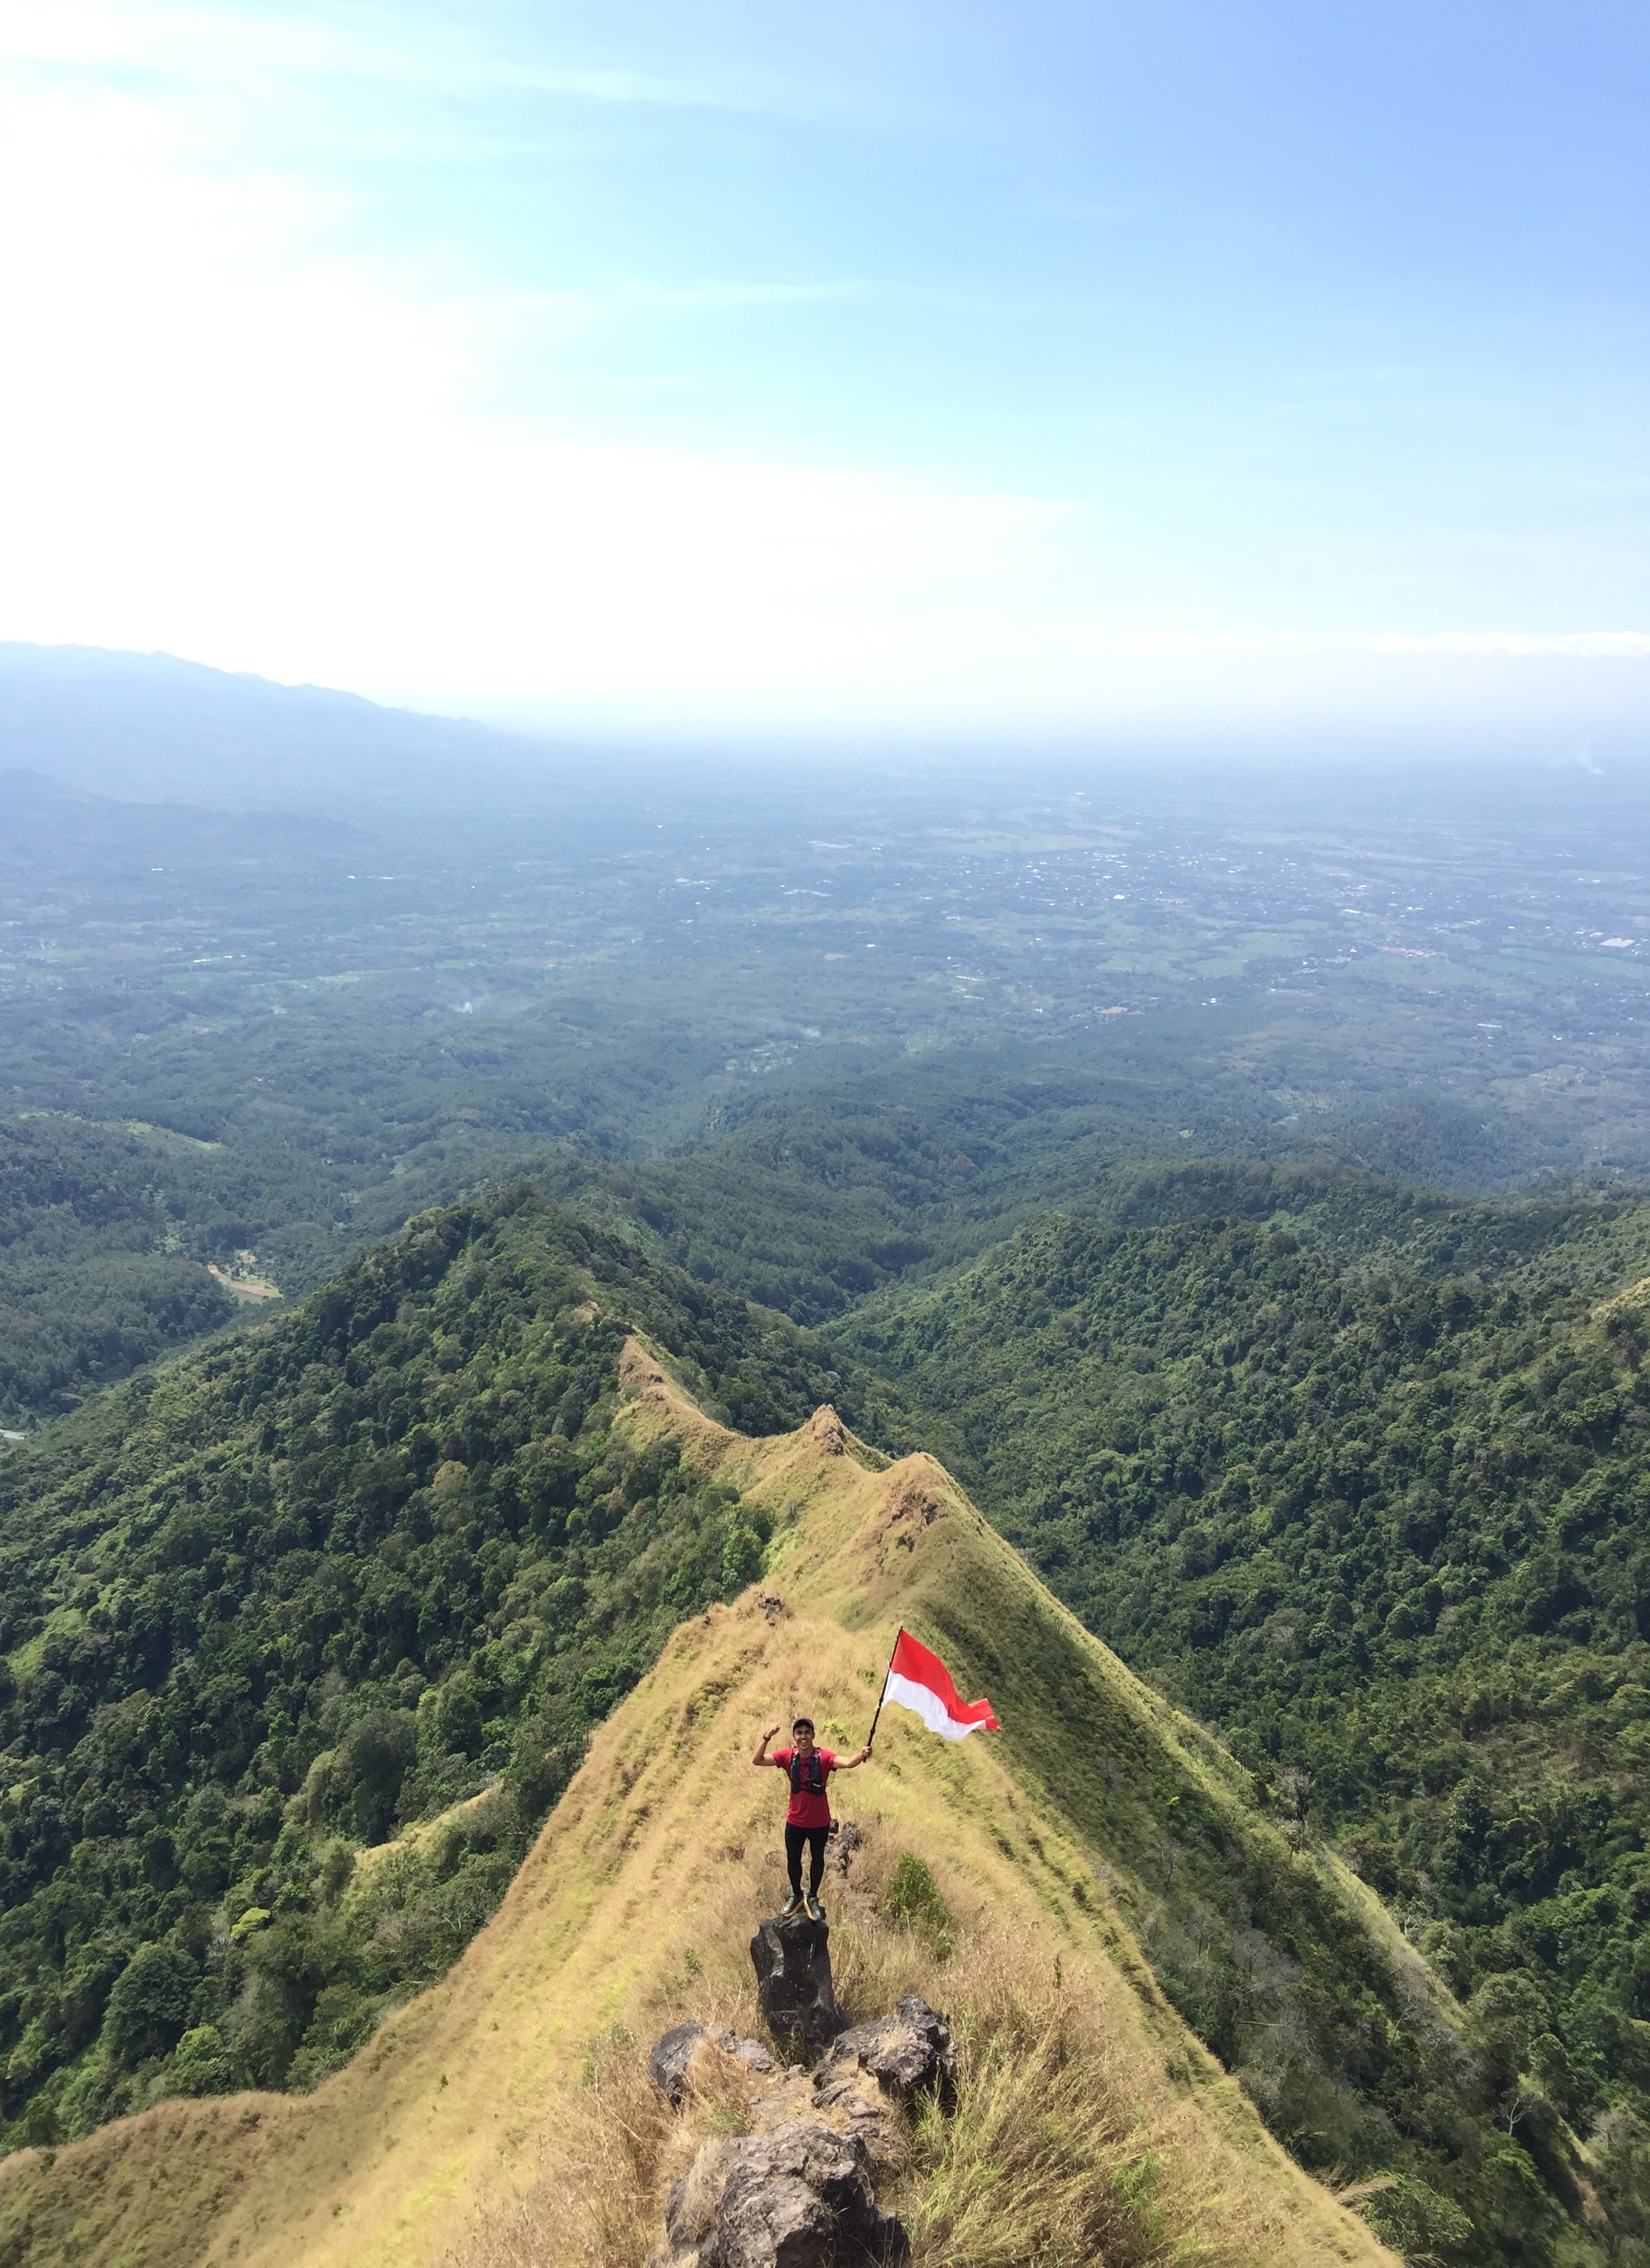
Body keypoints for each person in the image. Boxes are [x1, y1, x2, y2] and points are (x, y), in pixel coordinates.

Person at [753, 1714, 872, 1920]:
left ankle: (813, 1897)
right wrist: (767, 1736)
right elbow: (757, 1760)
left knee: (817, 1860)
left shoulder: (823, 1758)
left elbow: (847, 1763)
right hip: (795, 1821)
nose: (803, 1736)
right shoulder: (787, 1756)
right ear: (794, 1736)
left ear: (814, 1735)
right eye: (799, 1733)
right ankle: (797, 1895)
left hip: (819, 1823)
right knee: (793, 1860)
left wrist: (861, 1754)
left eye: (807, 1732)